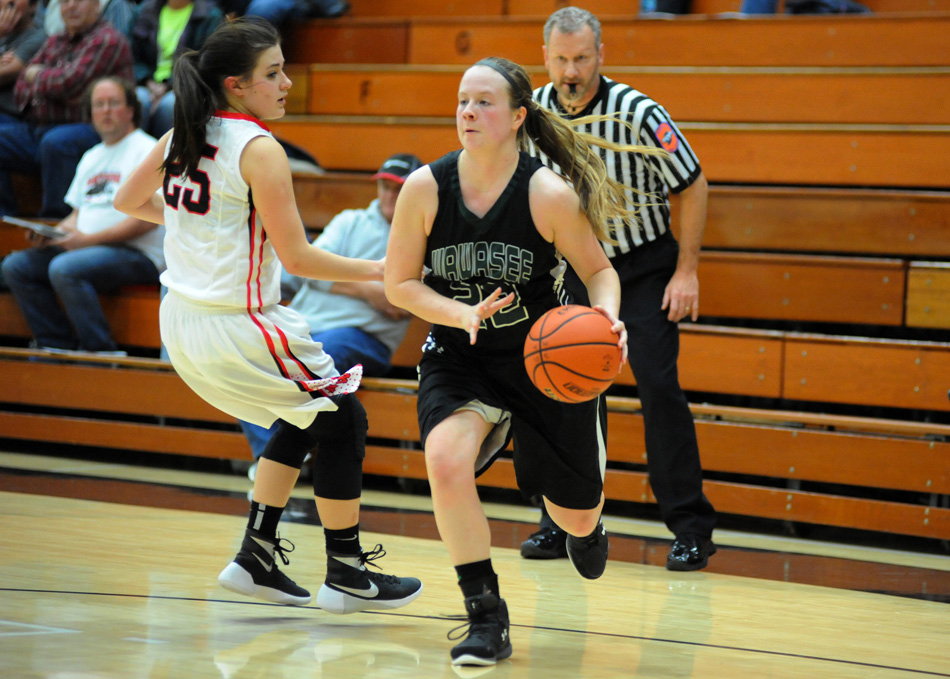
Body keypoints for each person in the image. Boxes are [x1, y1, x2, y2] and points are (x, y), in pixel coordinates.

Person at [114, 17, 422, 615]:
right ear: (237, 84)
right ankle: (347, 573)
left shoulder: (183, 130)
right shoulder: (259, 149)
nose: (286, 83)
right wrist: (383, 270)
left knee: (311, 417)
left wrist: (192, 225)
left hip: (180, 321)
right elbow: (298, 256)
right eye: (273, 73)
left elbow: (127, 202)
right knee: (343, 416)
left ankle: (257, 557)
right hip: (238, 322)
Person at [385, 56, 665, 666]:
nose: (468, 112)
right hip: (462, 355)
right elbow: (399, 283)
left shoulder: (546, 193)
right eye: (462, 100)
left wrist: (607, 317)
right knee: (445, 461)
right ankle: (486, 615)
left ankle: (587, 528)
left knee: (576, 514)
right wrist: (457, 313)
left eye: (484, 102)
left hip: (545, 361)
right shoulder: (425, 189)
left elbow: (598, 271)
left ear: (517, 117)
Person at [522, 7, 717, 572]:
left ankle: (691, 528)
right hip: (573, 269)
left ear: (601, 56)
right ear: (546, 58)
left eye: (582, 58)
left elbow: (695, 184)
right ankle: (563, 524)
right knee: (567, 391)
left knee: (658, 386)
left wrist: (687, 270)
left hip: (641, 267)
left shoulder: (637, 112)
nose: (571, 70)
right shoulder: (531, 115)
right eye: (560, 59)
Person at [239, 152, 419, 472]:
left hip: (362, 336)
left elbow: (397, 303)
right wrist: (367, 288)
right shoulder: (350, 221)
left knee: (315, 361)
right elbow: (308, 271)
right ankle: (274, 456)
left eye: (399, 188)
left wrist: (335, 278)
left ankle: (278, 460)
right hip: (305, 325)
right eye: (386, 187)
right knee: (244, 358)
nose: (390, 195)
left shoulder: (421, 235)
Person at [1, 76, 161, 354]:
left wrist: (87, 241)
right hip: (87, 249)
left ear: (131, 110)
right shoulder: (92, 156)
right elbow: (77, 212)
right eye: (99, 105)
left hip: (138, 253)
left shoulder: (148, 150)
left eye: (113, 103)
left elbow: (148, 219)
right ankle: (57, 345)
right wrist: (52, 234)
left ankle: (101, 352)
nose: (106, 110)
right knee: (17, 266)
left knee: (65, 268)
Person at [0, 0, 132, 218]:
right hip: (41, 128)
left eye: (78, 1)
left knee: (57, 142)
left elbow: (69, 83)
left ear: (97, 5)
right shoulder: (55, 40)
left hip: (91, 131)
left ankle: (55, 224)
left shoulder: (107, 40)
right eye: (64, 2)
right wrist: (54, 88)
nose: (71, 7)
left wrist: (38, 76)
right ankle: (5, 221)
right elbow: (21, 88)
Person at [129, 0, 223, 137]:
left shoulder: (210, 16)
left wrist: (169, 85)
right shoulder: (144, 11)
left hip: (186, 85)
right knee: (137, 100)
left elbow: (204, 61)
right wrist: (147, 80)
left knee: (170, 106)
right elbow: (131, 55)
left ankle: (172, 155)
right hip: (146, 83)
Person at [0, 0, 45, 119]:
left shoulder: (38, 37)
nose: (10, 2)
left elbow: (4, 74)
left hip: (10, 116)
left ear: (33, 6)